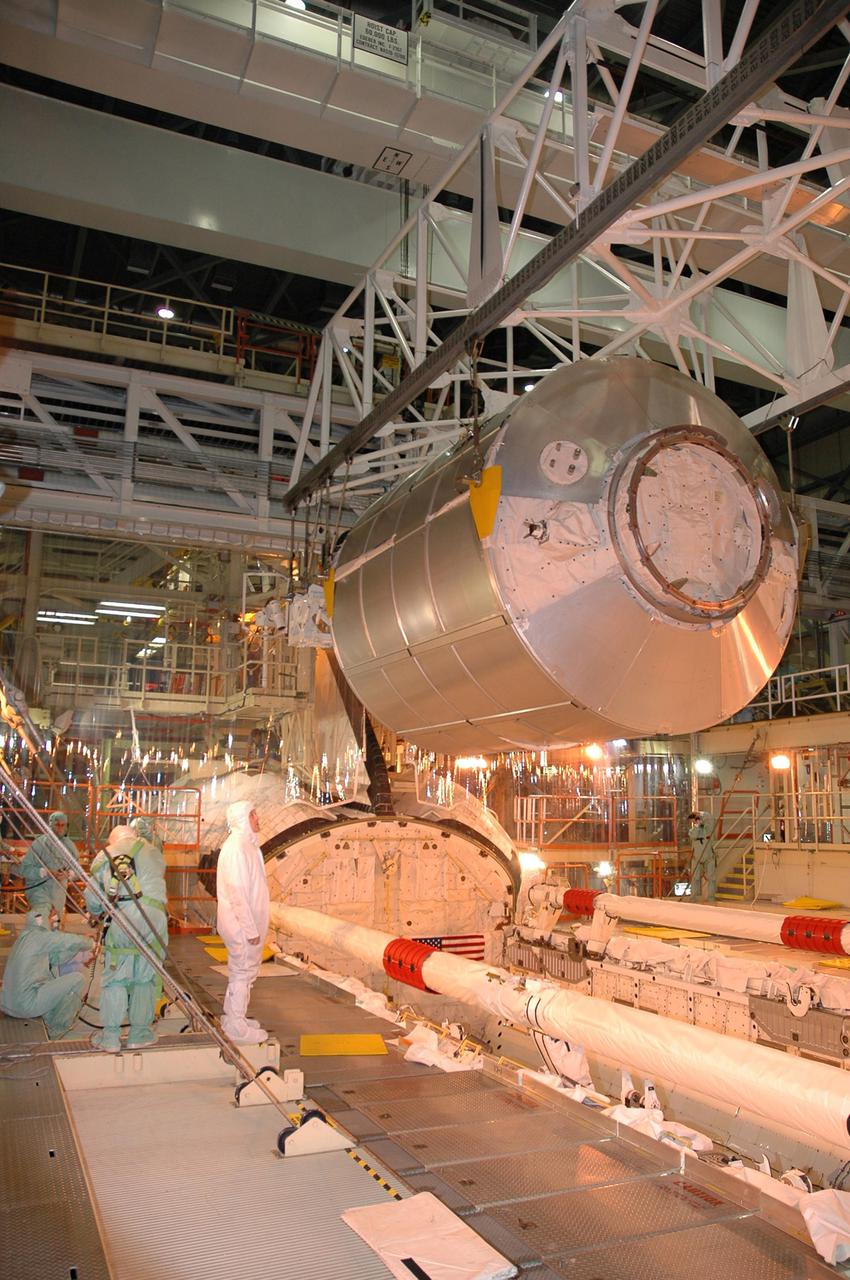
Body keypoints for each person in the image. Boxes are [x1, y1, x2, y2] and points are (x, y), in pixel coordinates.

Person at [85, 824, 168, 1053]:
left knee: (115, 978)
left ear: (113, 840)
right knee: (145, 976)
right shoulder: (152, 851)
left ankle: (110, 1038)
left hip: (123, 917)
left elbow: (93, 898)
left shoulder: (105, 855)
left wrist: (94, 913)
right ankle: (139, 1034)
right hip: (155, 917)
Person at [217, 801, 269, 1045]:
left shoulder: (246, 845)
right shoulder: (237, 847)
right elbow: (237, 891)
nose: (258, 818)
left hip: (245, 923)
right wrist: (250, 928)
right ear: (243, 818)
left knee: (243, 972)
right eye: (253, 814)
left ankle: (234, 1018)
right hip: (241, 925)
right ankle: (236, 1025)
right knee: (242, 972)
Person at [0, 907, 93, 1038]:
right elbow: (66, 940)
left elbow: (55, 959)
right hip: (24, 1005)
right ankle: (56, 1030)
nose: (54, 920)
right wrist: (90, 942)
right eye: (52, 917)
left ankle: (50, 1021)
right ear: (40, 919)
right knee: (77, 979)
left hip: (7, 1004)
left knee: (53, 984)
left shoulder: (26, 937)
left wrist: (76, 947)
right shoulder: (38, 937)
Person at [18, 811, 76, 918]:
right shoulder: (39, 844)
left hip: (59, 895)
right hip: (39, 892)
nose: (60, 828)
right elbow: (24, 869)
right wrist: (45, 872)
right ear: (50, 825)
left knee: (55, 926)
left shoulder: (69, 846)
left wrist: (69, 874)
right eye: (57, 824)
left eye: (63, 825)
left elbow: (77, 869)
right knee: (41, 923)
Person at [687, 810, 716, 900]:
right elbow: (694, 836)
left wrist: (700, 814)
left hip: (709, 856)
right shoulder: (692, 831)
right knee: (695, 878)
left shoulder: (708, 828)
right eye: (693, 821)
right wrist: (697, 826)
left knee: (711, 878)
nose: (694, 821)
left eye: (695, 820)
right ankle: (693, 898)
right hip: (697, 857)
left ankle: (711, 898)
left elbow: (710, 818)